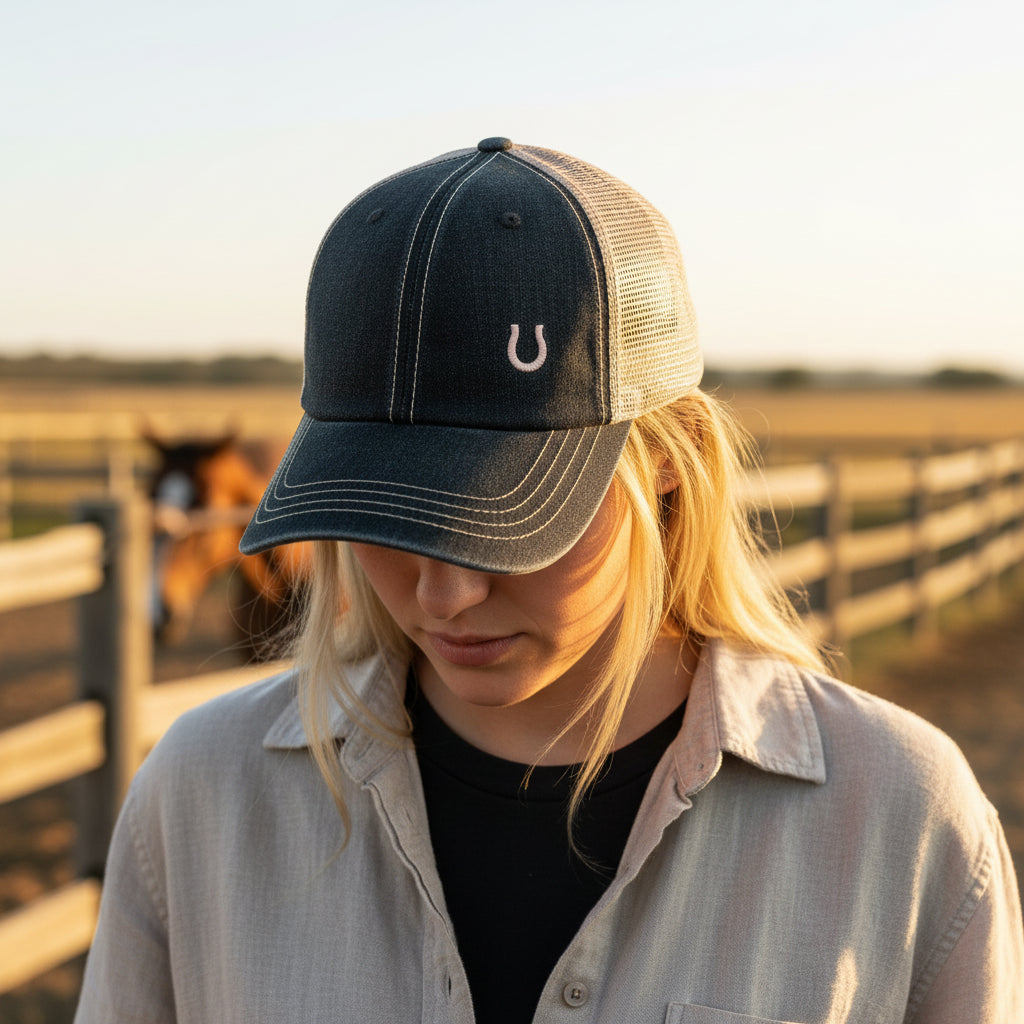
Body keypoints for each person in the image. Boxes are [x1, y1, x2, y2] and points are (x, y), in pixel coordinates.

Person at [75, 137, 1022, 1023]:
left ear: (670, 454)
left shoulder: (901, 822)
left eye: (510, 520)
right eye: (385, 516)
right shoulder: (198, 802)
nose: (442, 598)